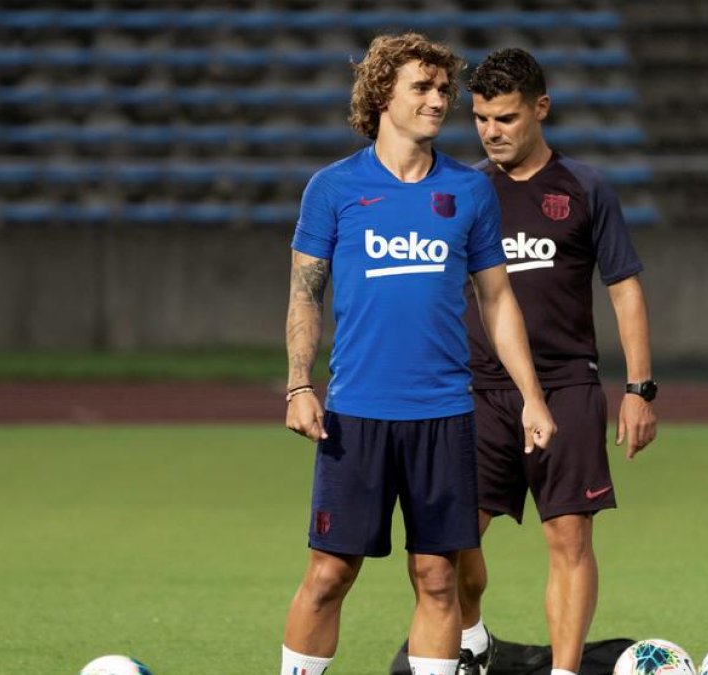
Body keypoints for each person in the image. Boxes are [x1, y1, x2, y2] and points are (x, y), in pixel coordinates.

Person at [281, 34, 557, 675]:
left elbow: (497, 302)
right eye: (422, 88)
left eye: (443, 90)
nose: (439, 100)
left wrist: (532, 398)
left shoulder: (470, 191)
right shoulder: (333, 189)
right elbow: (304, 297)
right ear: (382, 95)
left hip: (444, 415)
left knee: (438, 578)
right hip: (358, 414)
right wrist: (299, 385)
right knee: (329, 574)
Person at [455, 48, 659, 675]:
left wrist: (640, 388)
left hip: (569, 386)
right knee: (449, 542)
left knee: (569, 539)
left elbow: (623, 288)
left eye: (507, 118)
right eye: (483, 118)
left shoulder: (586, 189)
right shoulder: (463, 193)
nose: (492, 132)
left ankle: (565, 672)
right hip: (480, 391)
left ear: (540, 109)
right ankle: (472, 639)